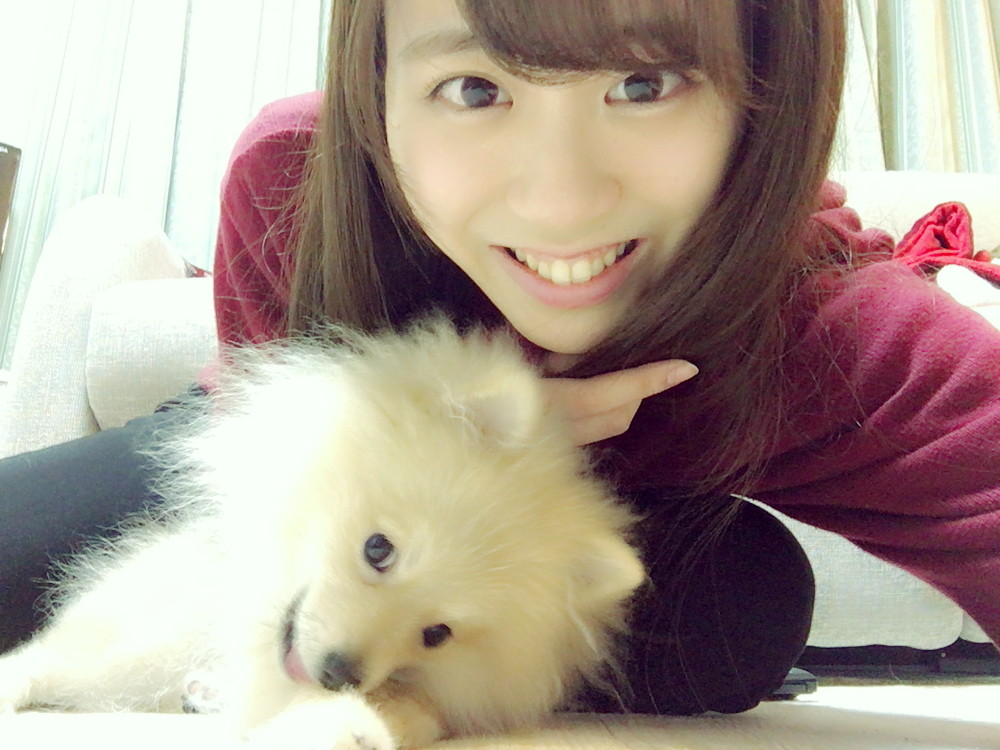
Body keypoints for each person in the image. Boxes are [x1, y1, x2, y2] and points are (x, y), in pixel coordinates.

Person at [2, 0, 999, 717]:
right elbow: (260, 501)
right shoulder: (299, 178)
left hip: (590, 548)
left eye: (643, 83)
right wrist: (437, 430)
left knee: (741, 602)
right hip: (327, 472)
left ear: (770, 97)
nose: (558, 201)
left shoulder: (842, 343)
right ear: (376, 84)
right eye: (474, 87)